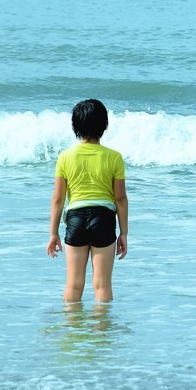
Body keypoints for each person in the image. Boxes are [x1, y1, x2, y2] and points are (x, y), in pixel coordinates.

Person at [46, 99, 128, 302]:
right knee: (102, 285)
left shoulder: (65, 157)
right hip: (104, 219)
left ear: (76, 127)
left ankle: (73, 331)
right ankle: (102, 331)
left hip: (76, 219)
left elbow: (58, 199)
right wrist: (124, 233)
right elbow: (120, 198)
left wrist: (53, 232)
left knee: (73, 285)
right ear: (104, 125)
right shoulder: (114, 157)